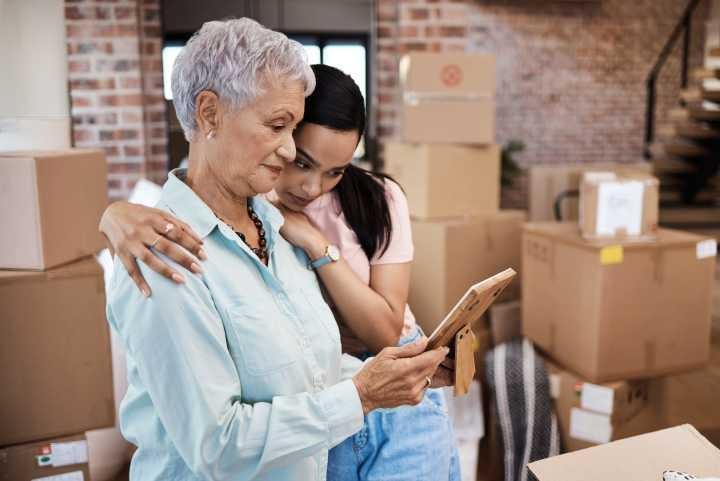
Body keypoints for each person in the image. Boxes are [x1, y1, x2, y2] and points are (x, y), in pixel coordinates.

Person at [104, 18, 450, 481]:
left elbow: (305, 365)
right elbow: (219, 446)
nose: (289, 151)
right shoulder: (166, 252)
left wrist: (396, 372)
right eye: (277, 126)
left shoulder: (272, 227)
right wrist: (363, 394)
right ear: (209, 114)